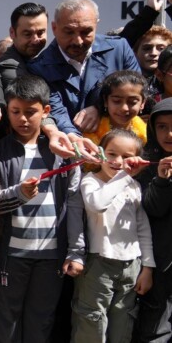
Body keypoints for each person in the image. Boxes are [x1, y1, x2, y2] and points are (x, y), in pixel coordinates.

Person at [0, 75, 83, 343]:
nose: (23, 119)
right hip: (10, 255)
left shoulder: (60, 151)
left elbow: (74, 202)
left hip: (51, 255)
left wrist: (76, 251)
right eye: (16, 112)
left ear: (46, 111)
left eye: (31, 112)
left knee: (41, 322)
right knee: (7, 322)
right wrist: (19, 193)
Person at [72, 129, 155, 342]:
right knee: (92, 318)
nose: (118, 161)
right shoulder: (90, 181)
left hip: (131, 265)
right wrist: (124, 175)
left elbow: (142, 228)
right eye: (111, 154)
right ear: (100, 153)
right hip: (98, 264)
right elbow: (97, 204)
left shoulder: (134, 186)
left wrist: (147, 267)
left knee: (123, 318)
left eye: (127, 157)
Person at [27, 0, 142, 137]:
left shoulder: (119, 49)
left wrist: (99, 107)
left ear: (96, 26)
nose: (77, 41)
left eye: (86, 32)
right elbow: (55, 111)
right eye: (69, 32)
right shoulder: (39, 68)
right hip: (68, 149)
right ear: (54, 28)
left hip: (120, 144)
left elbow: (136, 92)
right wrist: (77, 142)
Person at [136, 98, 172, 342]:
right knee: (155, 328)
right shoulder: (147, 164)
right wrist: (161, 180)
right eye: (161, 126)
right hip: (158, 262)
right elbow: (152, 209)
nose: (169, 133)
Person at [83, 70, 147, 146]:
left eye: (132, 102)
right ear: (105, 101)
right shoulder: (89, 134)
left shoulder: (147, 135)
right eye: (117, 101)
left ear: (142, 103)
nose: (124, 108)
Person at [0, 3, 48, 89]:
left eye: (40, 33)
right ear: (12, 32)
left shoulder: (47, 59)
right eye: (27, 34)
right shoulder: (9, 69)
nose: (35, 40)